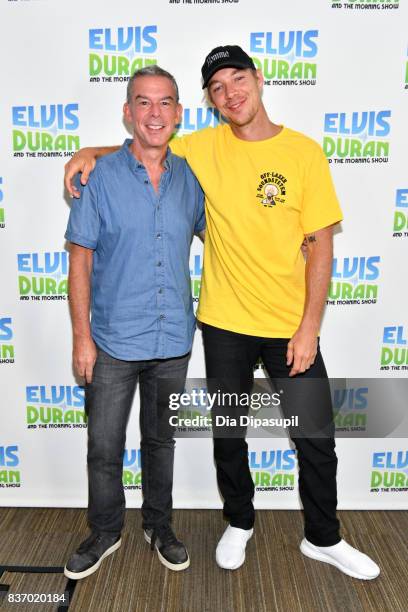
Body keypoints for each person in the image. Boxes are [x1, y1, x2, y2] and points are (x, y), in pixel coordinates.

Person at [64, 46, 380, 580]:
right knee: (228, 435)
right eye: (218, 87)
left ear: (259, 79)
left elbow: (320, 245)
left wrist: (310, 327)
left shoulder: (304, 153)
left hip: (288, 325)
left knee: (315, 435)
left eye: (238, 79)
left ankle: (324, 537)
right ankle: (239, 521)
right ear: (208, 102)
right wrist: (87, 152)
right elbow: (145, 143)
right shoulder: (201, 148)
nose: (231, 92)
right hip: (224, 322)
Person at [63, 65, 205, 579]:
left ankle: (158, 525)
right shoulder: (98, 178)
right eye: (143, 102)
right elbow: (79, 258)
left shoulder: (194, 177)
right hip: (112, 341)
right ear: (127, 113)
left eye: (165, 102)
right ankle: (104, 531)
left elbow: (237, 228)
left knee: (160, 441)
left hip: (173, 338)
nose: (154, 112)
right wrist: (82, 337)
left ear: (179, 113)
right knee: (103, 446)